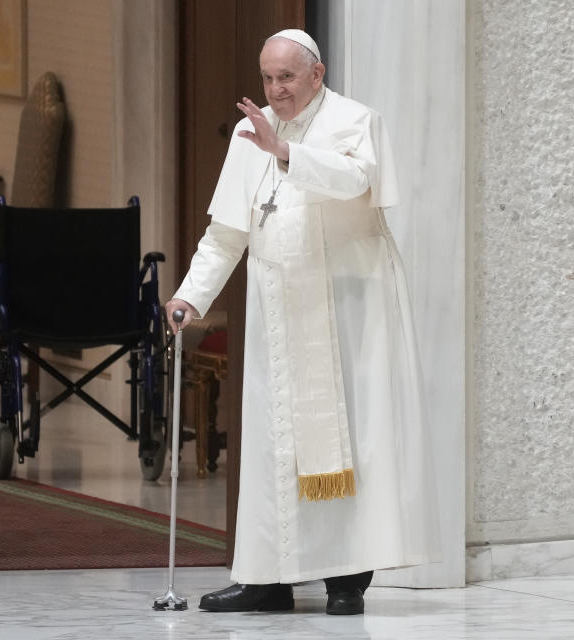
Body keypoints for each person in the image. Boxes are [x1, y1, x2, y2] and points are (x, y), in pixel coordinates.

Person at [165, 29, 439, 616]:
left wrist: (285, 152)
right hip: (277, 311)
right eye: (267, 77)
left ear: (316, 74)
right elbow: (227, 231)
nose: (275, 89)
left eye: (286, 77)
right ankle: (267, 579)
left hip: (350, 308)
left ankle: (346, 580)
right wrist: (190, 296)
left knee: (351, 439)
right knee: (272, 445)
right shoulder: (250, 132)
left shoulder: (354, 120)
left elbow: (353, 180)